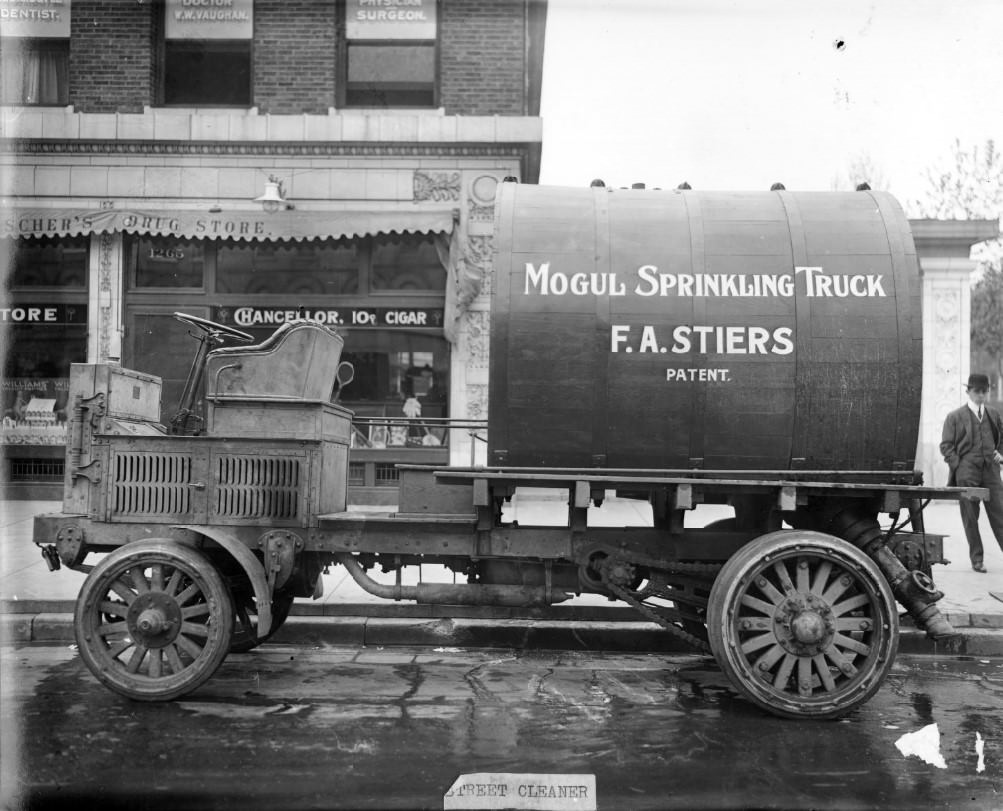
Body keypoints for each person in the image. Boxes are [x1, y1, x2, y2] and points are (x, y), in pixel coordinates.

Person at [940, 373, 1003, 572]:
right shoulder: (955, 416)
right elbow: (946, 445)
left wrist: (1000, 453)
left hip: (991, 471)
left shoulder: (993, 414)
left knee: (1000, 513)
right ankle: (977, 560)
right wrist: (958, 465)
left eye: (984, 391)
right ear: (968, 391)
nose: (981, 395)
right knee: (970, 516)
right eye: (977, 391)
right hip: (967, 472)